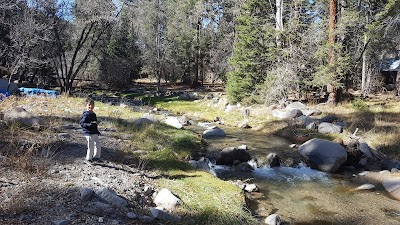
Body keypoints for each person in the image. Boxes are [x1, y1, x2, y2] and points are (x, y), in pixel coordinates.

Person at [80, 98, 102, 165]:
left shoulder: (93, 114)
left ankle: (96, 157)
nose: (91, 106)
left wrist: (96, 130)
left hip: (94, 132)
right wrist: (90, 125)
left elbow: (94, 123)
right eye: (89, 105)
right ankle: (88, 159)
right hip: (88, 133)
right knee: (91, 146)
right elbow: (82, 123)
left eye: (92, 105)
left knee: (98, 145)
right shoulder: (86, 114)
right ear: (86, 106)